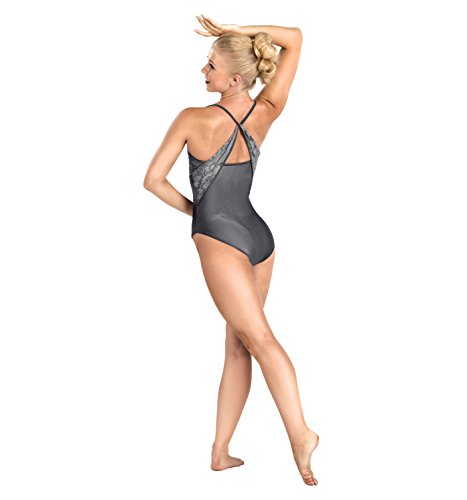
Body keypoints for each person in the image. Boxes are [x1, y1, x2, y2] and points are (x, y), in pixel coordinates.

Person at [143, 15, 319, 486]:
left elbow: (153, 181)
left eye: (211, 66)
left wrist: (198, 213)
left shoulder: (191, 118)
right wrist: (237, 29)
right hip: (259, 238)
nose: (203, 71)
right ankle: (220, 452)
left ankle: (300, 433)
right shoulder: (267, 110)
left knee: (259, 340)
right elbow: (295, 39)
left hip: (220, 240)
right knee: (238, 343)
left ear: (235, 79)